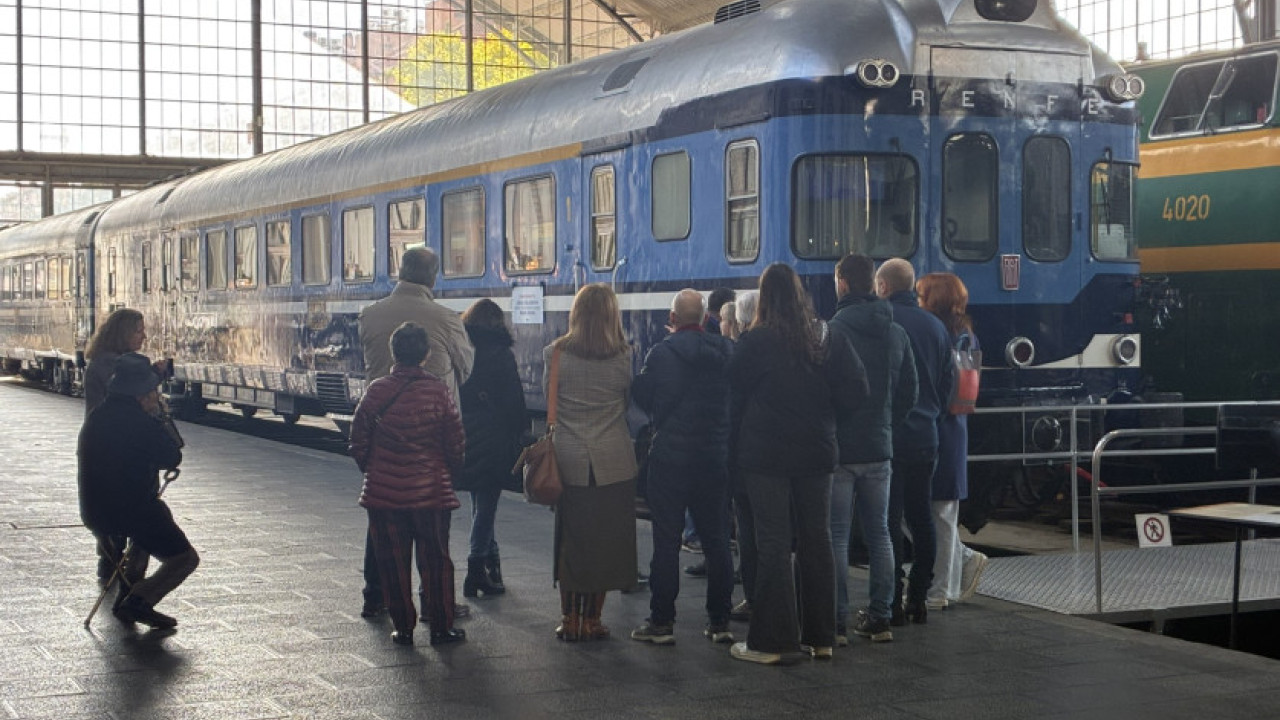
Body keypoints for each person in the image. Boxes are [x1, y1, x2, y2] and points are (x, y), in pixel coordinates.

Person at [728, 263, 867, 664]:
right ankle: (821, 636)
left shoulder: (755, 341)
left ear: (765, 297)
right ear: (800, 294)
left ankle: (774, 641)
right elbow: (858, 391)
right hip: (817, 452)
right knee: (816, 538)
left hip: (765, 456)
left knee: (773, 541)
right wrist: (827, 418)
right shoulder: (829, 336)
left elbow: (732, 392)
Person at [357, 246, 474, 618]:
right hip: (429, 440)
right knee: (433, 537)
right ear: (433, 277)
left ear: (400, 272)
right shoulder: (444, 317)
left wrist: (368, 463)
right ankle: (436, 606)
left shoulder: (370, 315)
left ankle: (376, 597)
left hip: (383, 435)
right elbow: (466, 368)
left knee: (382, 526)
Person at [349, 322, 466, 647]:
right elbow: (455, 442)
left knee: (393, 564)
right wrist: (445, 474)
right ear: (426, 355)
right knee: (437, 562)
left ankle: (403, 629)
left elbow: (358, 440)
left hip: (384, 499)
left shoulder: (377, 390)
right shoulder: (439, 391)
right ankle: (442, 628)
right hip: (431, 494)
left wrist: (375, 471)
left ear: (394, 353)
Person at [630, 289, 736, 646]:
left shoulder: (661, 354)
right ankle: (720, 622)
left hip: (671, 459)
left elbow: (642, 396)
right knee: (718, 540)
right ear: (706, 319)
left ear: (673, 319)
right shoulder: (727, 352)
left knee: (666, 542)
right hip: (714, 457)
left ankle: (661, 622)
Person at [828, 254, 915, 645]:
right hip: (880, 449)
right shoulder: (896, 333)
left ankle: (835, 619)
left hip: (841, 450)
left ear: (843, 283)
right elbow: (909, 393)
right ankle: (880, 616)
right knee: (881, 533)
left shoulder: (834, 332)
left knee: (838, 535)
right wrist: (886, 426)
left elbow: (822, 392)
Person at [544, 283, 638, 641]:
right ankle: (593, 620)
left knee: (572, 539)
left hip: (569, 460)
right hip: (613, 460)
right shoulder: (624, 357)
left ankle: (569, 619)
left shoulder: (555, 354)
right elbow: (628, 404)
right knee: (605, 543)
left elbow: (551, 401)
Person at [78, 352, 197, 629]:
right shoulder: (140, 422)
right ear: (142, 394)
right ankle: (139, 600)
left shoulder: (98, 416)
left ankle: (127, 595)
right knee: (185, 558)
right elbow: (172, 456)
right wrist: (162, 417)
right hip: (130, 511)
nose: (156, 396)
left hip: (95, 512)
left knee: (144, 538)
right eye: (154, 391)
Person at [876, 258, 953, 621]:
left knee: (889, 521)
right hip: (926, 436)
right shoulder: (936, 326)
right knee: (922, 516)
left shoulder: (882, 323)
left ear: (883, 287)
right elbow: (947, 384)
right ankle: (919, 596)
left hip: (889, 437)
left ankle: (891, 600)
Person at [917, 272, 989, 607]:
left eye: (922, 295)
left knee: (942, 513)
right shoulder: (966, 336)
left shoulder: (947, 337)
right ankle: (962, 558)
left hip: (942, 426)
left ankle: (942, 590)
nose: (918, 300)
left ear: (934, 300)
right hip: (952, 426)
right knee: (937, 511)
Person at [455, 299, 526, 598]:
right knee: (485, 506)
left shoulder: (462, 351)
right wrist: (519, 431)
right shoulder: (501, 354)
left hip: (464, 433)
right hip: (493, 436)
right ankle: (475, 571)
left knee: (480, 502)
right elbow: (515, 402)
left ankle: (491, 564)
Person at [83, 308, 154, 580]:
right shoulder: (114, 366)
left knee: (111, 508)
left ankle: (112, 562)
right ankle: (125, 571)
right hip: (120, 449)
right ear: (123, 333)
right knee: (131, 508)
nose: (143, 336)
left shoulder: (102, 362)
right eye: (138, 331)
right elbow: (131, 401)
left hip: (102, 446)